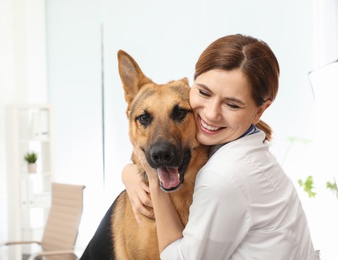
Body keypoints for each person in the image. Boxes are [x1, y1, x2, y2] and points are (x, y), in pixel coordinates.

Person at [122, 34, 319, 259]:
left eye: (232, 104)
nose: (211, 114)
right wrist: (129, 173)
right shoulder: (242, 147)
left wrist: (151, 176)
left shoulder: (223, 176)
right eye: (204, 93)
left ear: (259, 111)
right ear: (192, 87)